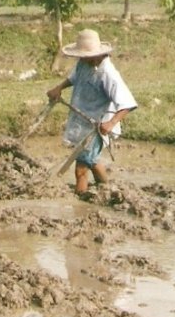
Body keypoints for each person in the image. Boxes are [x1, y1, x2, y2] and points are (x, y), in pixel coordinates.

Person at [46, 29, 137, 195]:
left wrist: (111, 123)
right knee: (92, 161)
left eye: (85, 56)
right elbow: (74, 78)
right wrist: (58, 88)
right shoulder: (84, 63)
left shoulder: (108, 74)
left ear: (97, 54)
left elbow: (127, 103)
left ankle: (80, 203)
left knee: (81, 169)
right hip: (83, 122)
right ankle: (107, 190)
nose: (81, 59)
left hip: (98, 126)